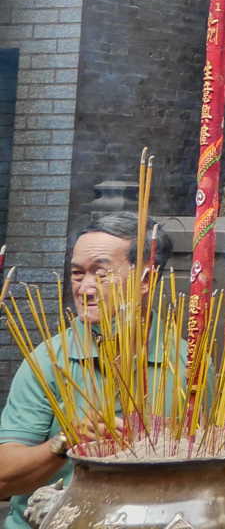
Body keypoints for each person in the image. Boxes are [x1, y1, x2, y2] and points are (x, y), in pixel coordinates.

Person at [0, 214, 151, 529]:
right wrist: (67, 440)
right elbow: (3, 478)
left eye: (101, 273)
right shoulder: (47, 361)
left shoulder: (185, 358)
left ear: (145, 280)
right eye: (77, 274)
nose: (85, 289)